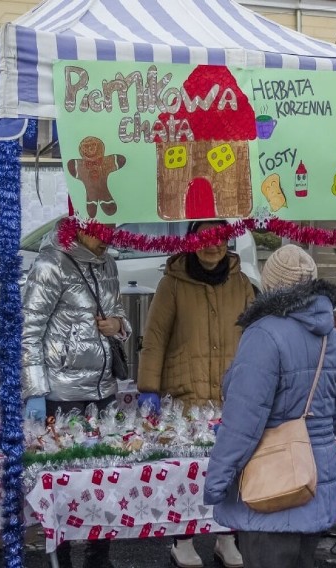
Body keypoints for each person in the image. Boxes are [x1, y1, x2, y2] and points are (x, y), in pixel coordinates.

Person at [203, 244, 336, 568]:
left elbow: (243, 421)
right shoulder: (333, 337)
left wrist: (217, 481)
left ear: (271, 287)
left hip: (271, 485)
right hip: (313, 481)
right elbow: (333, 412)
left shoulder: (264, 335)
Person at [137, 219, 254, 568]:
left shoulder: (242, 283)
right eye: (204, 238)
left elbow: (255, 336)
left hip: (231, 393)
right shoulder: (172, 283)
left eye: (219, 239)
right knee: (187, 470)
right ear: (191, 241)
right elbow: (155, 340)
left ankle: (226, 537)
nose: (212, 245)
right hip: (185, 393)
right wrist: (148, 390)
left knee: (233, 469)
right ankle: (182, 540)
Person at [21, 218, 132, 568]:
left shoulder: (108, 263)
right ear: (79, 225)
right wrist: (36, 390)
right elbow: (28, 332)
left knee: (106, 476)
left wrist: (119, 327)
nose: (107, 237)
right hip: (62, 393)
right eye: (100, 229)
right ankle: (61, 558)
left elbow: (120, 319)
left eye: (112, 228)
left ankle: (99, 557)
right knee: (63, 483)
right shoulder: (51, 264)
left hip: (103, 391)